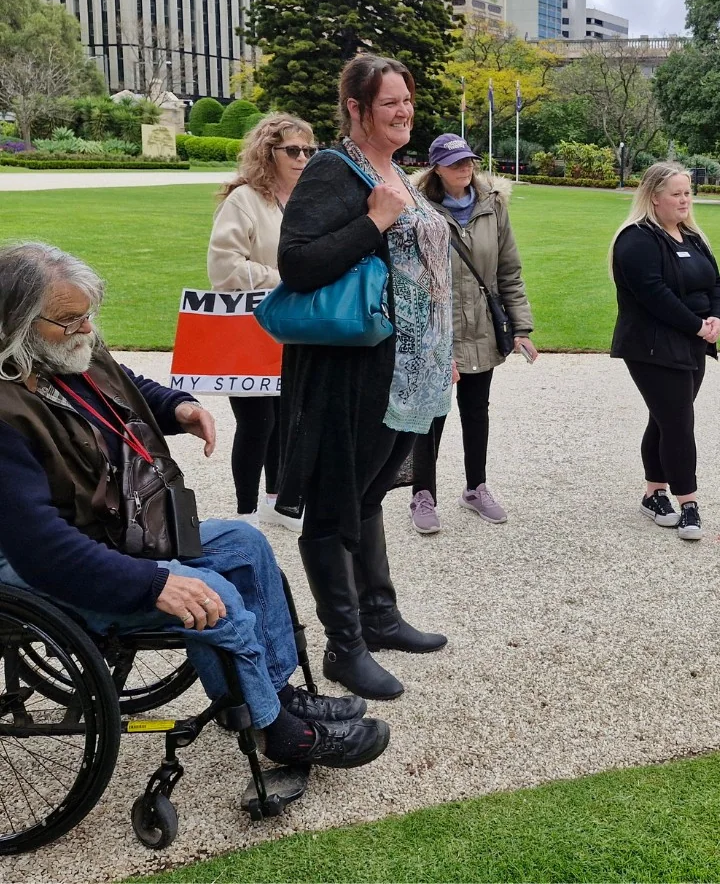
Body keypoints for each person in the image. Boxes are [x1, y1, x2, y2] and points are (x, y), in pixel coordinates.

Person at [0, 242, 389, 770]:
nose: (85, 330)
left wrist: (176, 406)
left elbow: (123, 386)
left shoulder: (56, 352)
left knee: (246, 544)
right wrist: (154, 583)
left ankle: (273, 692)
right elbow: (40, 550)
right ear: (13, 323)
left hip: (104, 527)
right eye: (68, 321)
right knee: (214, 593)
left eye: (87, 314)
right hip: (35, 565)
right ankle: (279, 732)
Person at [277, 54, 452, 701]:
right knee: (333, 507)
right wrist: (374, 221)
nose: (403, 112)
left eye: (407, 100)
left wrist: (442, 348)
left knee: (371, 493)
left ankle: (378, 617)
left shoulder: (395, 171)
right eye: (389, 104)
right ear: (355, 108)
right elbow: (296, 265)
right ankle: (344, 649)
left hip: (407, 372)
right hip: (347, 376)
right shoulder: (332, 170)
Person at [408, 134, 537, 534]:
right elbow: (411, 280)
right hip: (437, 329)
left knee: (476, 410)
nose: (464, 169)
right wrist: (427, 340)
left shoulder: (492, 206)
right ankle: (422, 493)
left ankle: (475, 486)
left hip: (480, 325)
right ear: (436, 168)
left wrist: (522, 327)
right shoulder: (417, 210)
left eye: (468, 162)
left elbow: (508, 272)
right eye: (454, 163)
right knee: (430, 415)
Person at [207, 113, 319, 533]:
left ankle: (277, 500)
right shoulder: (245, 199)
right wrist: (285, 277)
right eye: (292, 149)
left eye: (308, 150)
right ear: (266, 152)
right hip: (248, 326)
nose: (302, 157)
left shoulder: (307, 200)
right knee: (258, 422)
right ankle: (246, 509)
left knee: (288, 415)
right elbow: (224, 268)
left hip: (294, 326)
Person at [610, 162, 720, 541]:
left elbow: (716, 282)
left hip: (693, 342)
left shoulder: (692, 237)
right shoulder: (636, 240)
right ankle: (688, 502)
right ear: (654, 197)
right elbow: (655, 296)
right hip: (652, 346)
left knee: (665, 418)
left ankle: (653, 492)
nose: (684, 200)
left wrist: (717, 319)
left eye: (687, 192)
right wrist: (697, 325)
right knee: (678, 420)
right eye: (676, 193)